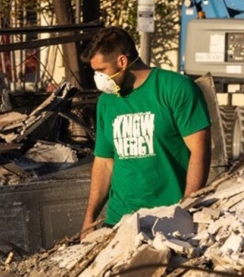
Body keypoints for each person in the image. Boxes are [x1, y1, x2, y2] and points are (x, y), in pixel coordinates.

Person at [79, 27, 211, 239]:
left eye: (101, 70)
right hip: (120, 221)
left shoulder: (175, 88)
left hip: (166, 220)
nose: (98, 78)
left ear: (122, 61)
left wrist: (186, 210)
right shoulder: (107, 101)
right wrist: (89, 220)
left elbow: (200, 152)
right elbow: (104, 162)